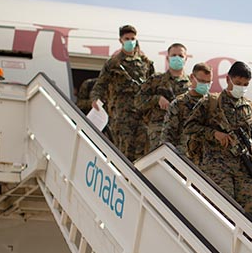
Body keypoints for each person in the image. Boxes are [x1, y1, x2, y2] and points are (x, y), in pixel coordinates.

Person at [185, 61, 252, 216]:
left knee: (249, 214)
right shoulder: (210, 102)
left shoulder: (251, 108)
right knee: (221, 211)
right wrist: (214, 134)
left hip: (244, 169)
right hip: (217, 167)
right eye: (238, 83)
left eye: (245, 84)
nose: (241, 87)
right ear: (228, 79)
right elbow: (190, 127)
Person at [90, 24, 154, 161]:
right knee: (124, 149)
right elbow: (100, 84)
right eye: (127, 38)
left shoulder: (146, 63)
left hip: (142, 113)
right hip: (122, 114)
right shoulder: (113, 63)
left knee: (142, 150)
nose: (130, 41)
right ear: (121, 40)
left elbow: (152, 85)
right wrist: (95, 98)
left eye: (132, 38)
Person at [133, 43, 190, 158]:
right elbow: (138, 101)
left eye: (180, 55)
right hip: (158, 132)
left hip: (181, 135)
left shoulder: (191, 85)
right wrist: (156, 99)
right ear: (168, 58)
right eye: (174, 55)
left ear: (186, 59)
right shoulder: (156, 80)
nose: (177, 58)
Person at [160, 62, 213, 161]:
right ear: (192, 77)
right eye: (201, 81)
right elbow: (168, 136)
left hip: (206, 163)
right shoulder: (179, 104)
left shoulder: (213, 104)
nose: (205, 85)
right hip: (184, 160)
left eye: (208, 82)